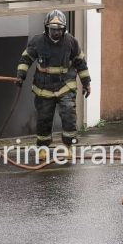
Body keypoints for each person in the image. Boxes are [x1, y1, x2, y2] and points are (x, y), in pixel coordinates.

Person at [16, 9, 91, 156]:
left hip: (65, 85)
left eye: (59, 29)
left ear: (64, 29)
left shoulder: (71, 42)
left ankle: (68, 147)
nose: (56, 32)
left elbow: (80, 63)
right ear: (47, 28)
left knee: (69, 114)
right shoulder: (37, 42)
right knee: (44, 118)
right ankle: (43, 148)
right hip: (43, 87)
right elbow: (25, 59)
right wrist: (20, 75)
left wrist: (86, 83)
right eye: (53, 29)